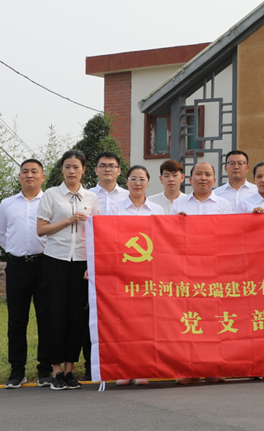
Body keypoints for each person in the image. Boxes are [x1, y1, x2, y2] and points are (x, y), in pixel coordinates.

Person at [37, 150, 100, 390]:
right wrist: (69, 220)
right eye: (67, 167)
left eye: (76, 167)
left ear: (84, 170)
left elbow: (97, 233)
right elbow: (41, 230)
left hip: (81, 264)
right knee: (55, 316)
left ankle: (70, 371)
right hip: (55, 260)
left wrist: (92, 264)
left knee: (77, 317)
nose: (71, 171)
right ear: (62, 170)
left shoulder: (91, 198)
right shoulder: (51, 195)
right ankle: (56, 372)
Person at [0, 159, 53, 389]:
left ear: (42, 176)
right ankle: (17, 371)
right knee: (17, 321)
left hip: (45, 265)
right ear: (19, 176)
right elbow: (1, 234)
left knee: (46, 319)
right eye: (25, 171)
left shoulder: (51, 201)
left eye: (34, 171)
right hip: (17, 266)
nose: (29, 175)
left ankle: (45, 369)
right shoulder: (7, 204)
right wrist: (16, 251)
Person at [171, 161, 230, 384]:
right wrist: (177, 224)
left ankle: (214, 367)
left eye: (207, 174)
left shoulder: (223, 205)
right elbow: (169, 237)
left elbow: (229, 235)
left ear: (214, 180)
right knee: (189, 319)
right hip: (187, 269)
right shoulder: (178, 204)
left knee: (214, 319)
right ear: (189, 179)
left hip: (215, 269)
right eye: (198, 174)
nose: (203, 178)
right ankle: (189, 369)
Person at [106, 165, 163, 386]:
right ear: (126, 182)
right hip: (123, 273)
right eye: (133, 179)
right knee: (124, 322)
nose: (137, 183)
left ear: (148, 183)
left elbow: (164, 241)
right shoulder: (115, 210)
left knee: (147, 322)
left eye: (142, 179)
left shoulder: (157, 210)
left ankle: (143, 369)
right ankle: (125, 369)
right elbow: (107, 240)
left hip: (149, 273)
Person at [84, 151, 127, 379]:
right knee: (91, 313)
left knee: (122, 315)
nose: (107, 169)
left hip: (124, 264)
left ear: (119, 170)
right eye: (103, 165)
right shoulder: (86, 196)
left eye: (112, 165)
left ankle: (124, 363)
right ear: (95, 170)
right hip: (91, 262)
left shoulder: (129, 196)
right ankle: (91, 365)